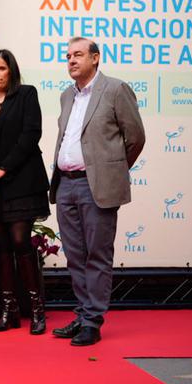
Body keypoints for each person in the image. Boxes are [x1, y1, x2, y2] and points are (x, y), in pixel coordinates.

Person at [49, 37, 145, 346]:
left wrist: (110, 170)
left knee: (97, 255)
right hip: (65, 185)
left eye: (78, 54)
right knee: (75, 257)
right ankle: (82, 315)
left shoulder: (115, 89)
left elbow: (135, 137)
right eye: (68, 56)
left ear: (95, 58)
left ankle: (92, 321)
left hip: (96, 186)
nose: (71, 60)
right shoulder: (67, 95)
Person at [0, 49, 51, 335]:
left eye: (2, 68)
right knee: (2, 247)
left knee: (20, 241)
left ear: (11, 71)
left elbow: (31, 135)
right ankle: (9, 311)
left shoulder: (27, 95)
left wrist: (3, 170)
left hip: (22, 182)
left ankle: (37, 310)